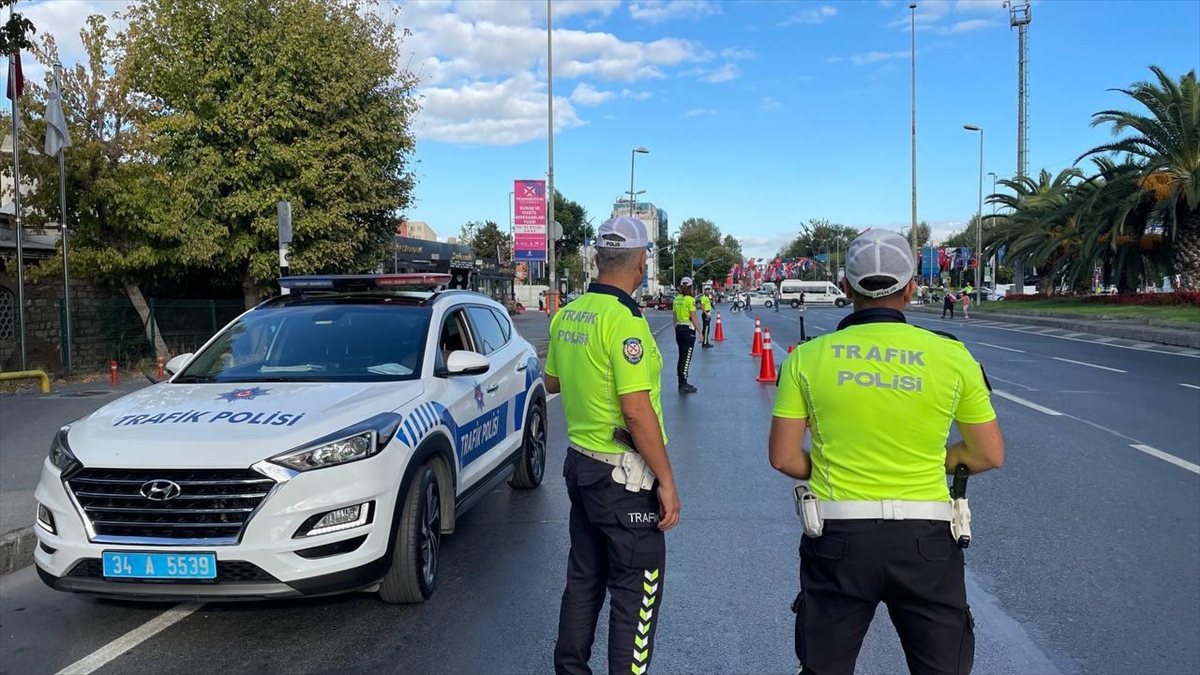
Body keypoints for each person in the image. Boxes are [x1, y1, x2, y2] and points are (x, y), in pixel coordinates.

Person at [768, 229, 1004, 675]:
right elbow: (988, 454)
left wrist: (840, 462)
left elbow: (783, 457)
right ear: (911, 288)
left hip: (837, 538)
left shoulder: (806, 357)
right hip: (927, 541)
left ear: (846, 287)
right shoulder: (953, 356)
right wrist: (924, 459)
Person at [547, 216, 681, 675]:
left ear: (597, 258)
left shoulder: (568, 314)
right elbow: (636, 412)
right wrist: (667, 482)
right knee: (636, 591)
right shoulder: (625, 322)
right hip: (624, 478)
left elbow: (552, 381)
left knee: (584, 580)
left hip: (581, 465)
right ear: (642, 262)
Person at [672, 277, 701, 393]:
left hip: (679, 329)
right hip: (688, 330)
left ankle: (681, 382)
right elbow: (693, 317)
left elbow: (674, 317)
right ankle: (683, 384)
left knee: (681, 357)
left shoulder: (676, 300)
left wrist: (676, 330)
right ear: (690, 287)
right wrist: (700, 332)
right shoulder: (690, 300)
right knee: (687, 357)